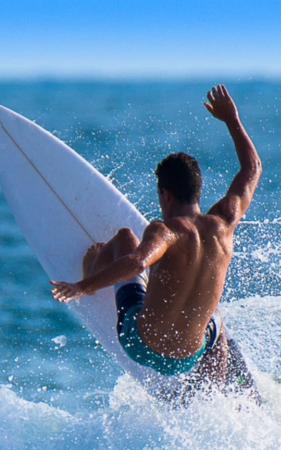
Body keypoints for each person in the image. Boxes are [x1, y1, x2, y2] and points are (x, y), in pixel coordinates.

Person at [50, 85, 262, 386]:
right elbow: (252, 168)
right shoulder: (225, 222)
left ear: (166, 195)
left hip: (140, 345)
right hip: (187, 357)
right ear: (197, 191)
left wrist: (82, 286)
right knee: (215, 322)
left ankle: (93, 265)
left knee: (124, 237)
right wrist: (231, 119)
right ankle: (212, 392)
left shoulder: (166, 231)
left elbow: (137, 263)